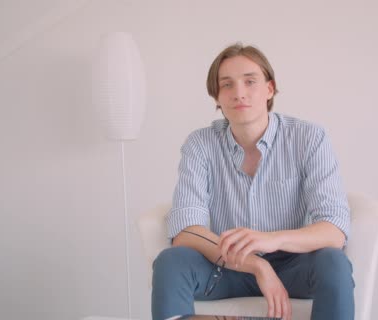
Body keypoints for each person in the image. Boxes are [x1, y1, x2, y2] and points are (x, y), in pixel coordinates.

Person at [151, 43, 354, 320]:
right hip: (226, 265)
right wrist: (258, 266)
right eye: (227, 85)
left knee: (334, 262)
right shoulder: (200, 144)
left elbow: (334, 230)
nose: (239, 93)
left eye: (250, 81)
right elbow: (186, 231)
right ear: (217, 97)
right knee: (170, 262)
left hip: (293, 266)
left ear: (269, 89)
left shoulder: (309, 138)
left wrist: (271, 240)